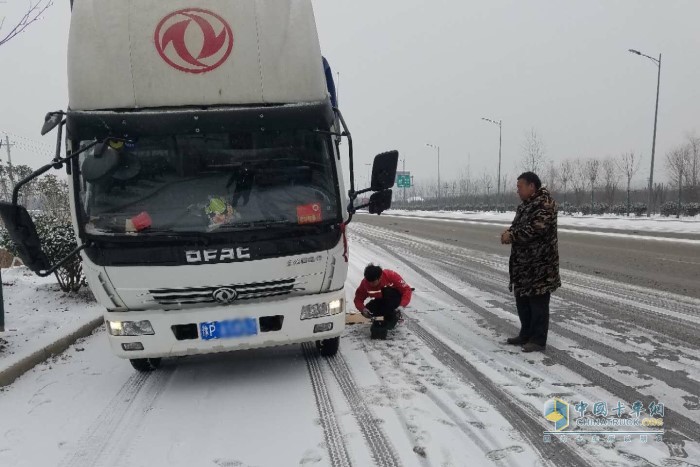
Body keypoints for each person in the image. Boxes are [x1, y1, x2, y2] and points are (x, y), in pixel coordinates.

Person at [501, 172, 561, 353]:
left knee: (538, 303)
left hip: (540, 266)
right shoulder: (525, 206)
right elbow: (518, 226)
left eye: (520, 187)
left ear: (532, 186)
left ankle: (538, 339)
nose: (517, 191)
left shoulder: (545, 204)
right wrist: (509, 232)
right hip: (524, 265)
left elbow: (536, 229)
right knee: (523, 301)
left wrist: (512, 236)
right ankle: (525, 334)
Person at [354, 264, 412, 339]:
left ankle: (394, 315)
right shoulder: (365, 283)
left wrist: (401, 305)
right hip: (380, 300)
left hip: (393, 299)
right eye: (369, 282)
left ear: (380, 277)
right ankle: (381, 317)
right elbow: (358, 299)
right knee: (369, 309)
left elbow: (407, 290)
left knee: (387, 293)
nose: (371, 284)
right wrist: (363, 309)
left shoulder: (390, 275)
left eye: (373, 282)